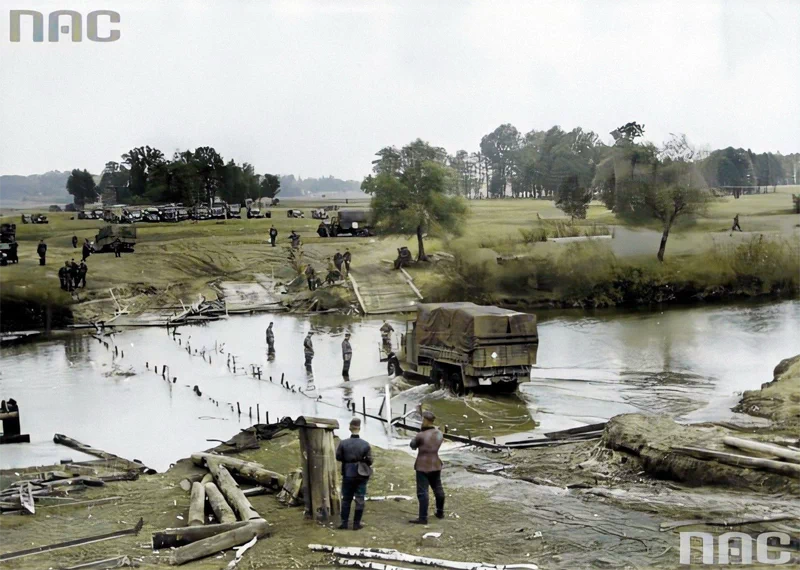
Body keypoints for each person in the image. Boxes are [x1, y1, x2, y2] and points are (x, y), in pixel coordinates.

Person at [409, 409, 445, 524]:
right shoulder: (439, 433)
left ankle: (423, 517)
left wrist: (418, 434)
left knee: (422, 492)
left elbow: (412, 445)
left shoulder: (421, 435)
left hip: (422, 466)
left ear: (425, 420)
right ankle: (440, 512)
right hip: (435, 463)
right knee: (438, 489)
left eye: (422, 420)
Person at [335, 417, 372, 530]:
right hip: (361, 474)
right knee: (360, 498)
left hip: (348, 472)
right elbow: (370, 461)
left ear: (350, 428)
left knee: (346, 498)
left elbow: (338, 457)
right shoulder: (365, 444)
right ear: (359, 429)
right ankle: (356, 524)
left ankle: (344, 523)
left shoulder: (343, 443)